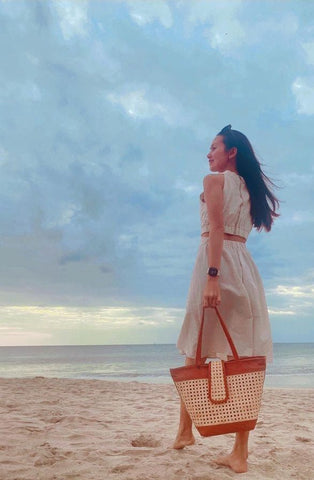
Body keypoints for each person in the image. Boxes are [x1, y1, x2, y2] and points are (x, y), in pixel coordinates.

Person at [173, 125, 279, 474]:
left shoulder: (213, 181)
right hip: (244, 266)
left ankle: (187, 432)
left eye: (214, 147)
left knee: (195, 347)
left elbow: (216, 228)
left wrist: (212, 276)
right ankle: (236, 451)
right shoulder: (251, 189)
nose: (209, 153)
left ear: (231, 152)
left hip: (215, 263)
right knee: (245, 357)